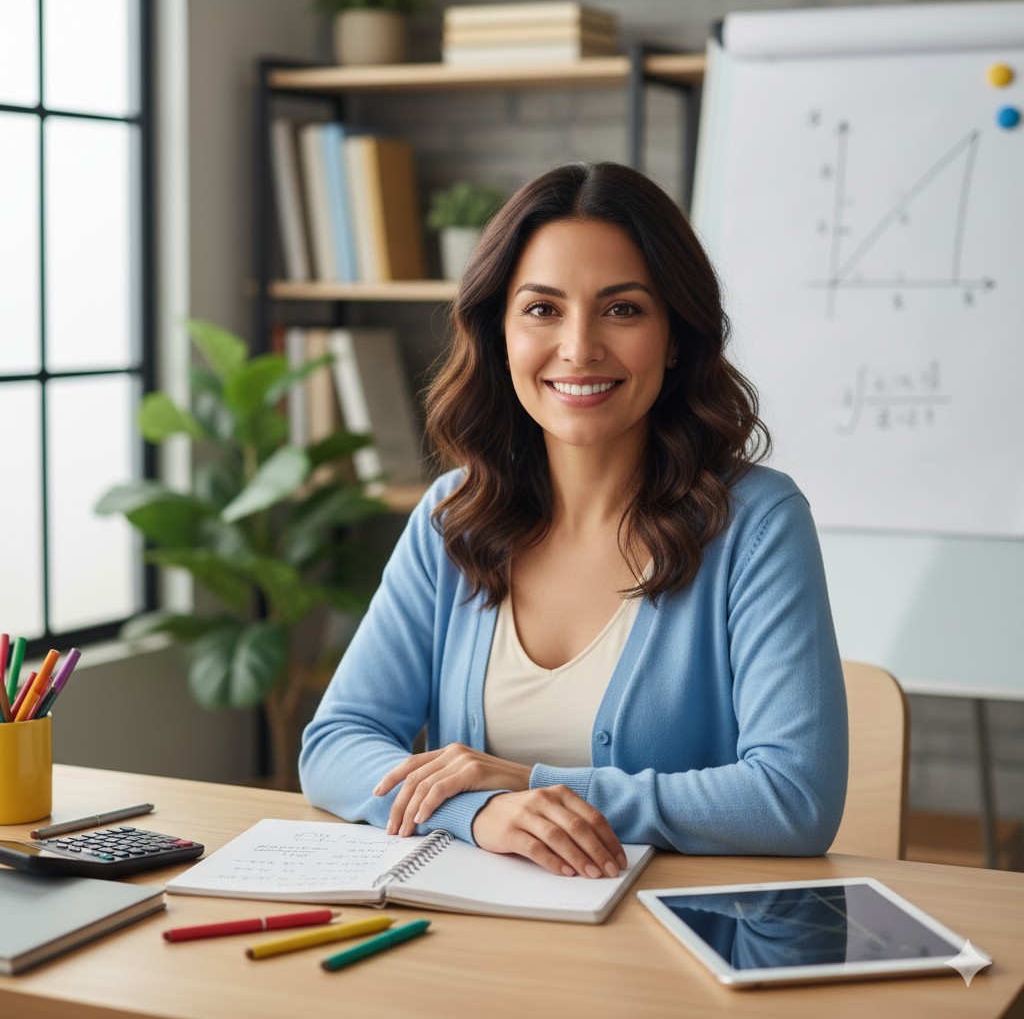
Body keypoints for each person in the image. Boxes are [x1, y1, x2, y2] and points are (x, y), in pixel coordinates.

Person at [299, 161, 848, 881]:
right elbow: (337, 744)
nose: (579, 347)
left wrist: (528, 786)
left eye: (622, 309)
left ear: (675, 335)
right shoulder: (451, 516)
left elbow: (793, 799)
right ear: (500, 331)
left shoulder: (757, 525)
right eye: (542, 309)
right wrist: (478, 813)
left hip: (669, 956)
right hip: (480, 944)